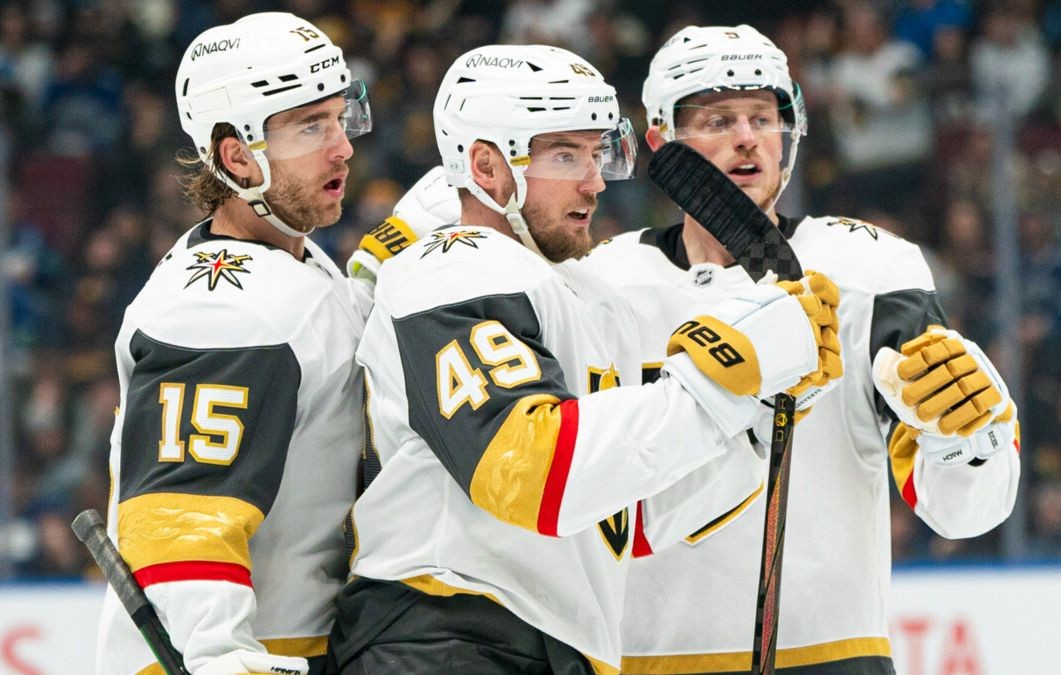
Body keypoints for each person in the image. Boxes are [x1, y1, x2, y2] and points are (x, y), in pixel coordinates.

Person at [326, 44, 841, 674]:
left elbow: (629, 517)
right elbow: (530, 473)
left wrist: (755, 414)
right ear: (486, 166)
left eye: (599, 154)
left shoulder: (593, 298)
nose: (595, 181)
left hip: (554, 644)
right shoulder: (453, 268)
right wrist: (714, 379)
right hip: (443, 634)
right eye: (565, 155)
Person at [578, 25, 1021, 674]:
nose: (746, 137)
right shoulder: (599, 284)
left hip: (830, 657)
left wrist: (968, 443)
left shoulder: (867, 269)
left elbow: (961, 512)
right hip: (641, 657)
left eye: (763, 117)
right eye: (718, 120)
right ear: (660, 141)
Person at [95, 13, 374, 675]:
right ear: (237, 156)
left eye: (341, 118)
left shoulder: (286, 262)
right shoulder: (224, 310)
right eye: (311, 126)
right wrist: (220, 657)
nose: (342, 147)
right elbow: (182, 519)